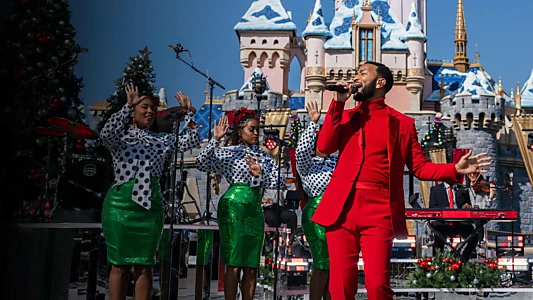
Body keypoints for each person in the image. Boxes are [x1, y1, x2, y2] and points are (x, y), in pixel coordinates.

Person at [312, 61, 492, 300]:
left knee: (378, 287)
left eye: (363, 73)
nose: (356, 77)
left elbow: (419, 167)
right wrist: (338, 103)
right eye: (355, 72)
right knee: (340, 288)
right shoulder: (344, 116)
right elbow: (323, 147)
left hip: (378, 211)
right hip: (342, 209)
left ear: (380, 82)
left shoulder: (403, 124)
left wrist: (454, 169)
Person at [100, 84, 200, 300]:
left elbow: (190, 140)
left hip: (150, 207)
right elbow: (105, 134)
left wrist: (187, 114)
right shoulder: (121, 137)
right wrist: (127, 107)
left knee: (145, 266)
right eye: (144, 107)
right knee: (119, 265)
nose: (149, 112)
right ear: (134, 110)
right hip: (120, 206)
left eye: (152, 109)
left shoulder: (160, 140)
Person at [195, 109, 285, 300]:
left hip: (254, 211)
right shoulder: (229, 152)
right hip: (233, 207)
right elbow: (201, 163)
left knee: (251, 264)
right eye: (251, 129)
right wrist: (215, 140)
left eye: (257, 130)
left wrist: (260, 173)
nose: (255, 133)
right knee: (234, 263)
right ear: (239, 130)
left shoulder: (265, 157)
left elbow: (280, 182)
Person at [296, 101, 337, 300]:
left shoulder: (337, 162)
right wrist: (313, 123)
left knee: (334, 266)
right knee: (322, 263)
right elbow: (300, 152)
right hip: (317, 213)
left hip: (337, 213)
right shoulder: (308, 164)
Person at [429, 182, 479, 262]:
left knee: (474, 237)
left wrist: (465, 206)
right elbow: (432, 208)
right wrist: (446, 210)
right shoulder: (435, 189)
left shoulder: (462, 189)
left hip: (460, 222)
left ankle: (463, 260)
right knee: (438, 238)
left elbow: (468, 205)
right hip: (443, 223)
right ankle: (437, 264)